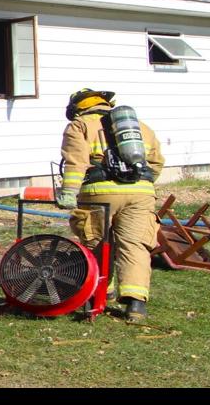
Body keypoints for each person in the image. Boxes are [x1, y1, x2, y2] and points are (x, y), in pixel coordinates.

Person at [57, 88, 165, 322]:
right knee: (135, 245)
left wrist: (68, 192)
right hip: (140, 193)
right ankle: (136, 304)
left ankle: (99, 292)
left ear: (78, 107)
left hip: (99, 193)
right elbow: (156, 163)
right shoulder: (140, 127)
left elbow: (76, 161)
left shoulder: (80, 125)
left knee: (96, 242)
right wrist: (138, 184)